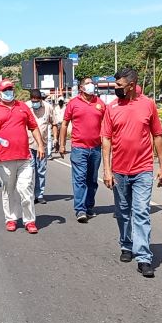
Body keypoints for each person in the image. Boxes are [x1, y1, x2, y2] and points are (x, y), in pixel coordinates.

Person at [102, 68, 162, 278]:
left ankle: (144, 258)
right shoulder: (111, 108)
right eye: (115, 85)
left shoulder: (148, 104)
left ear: (131, 85)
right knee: (122, 211)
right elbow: (106, 140)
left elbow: (157, 135)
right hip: (119, 171)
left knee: (140, 212)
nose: (116, 89)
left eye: (119, 86)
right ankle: (126, 244)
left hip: (143, 169)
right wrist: (107, 170)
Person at [0, 79, 44, 234]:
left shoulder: (22, 107)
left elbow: (33, 127)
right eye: (5, 90)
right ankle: (11, 218)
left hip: (24, 156)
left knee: (25, 189)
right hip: (4, 158)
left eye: (10, 89)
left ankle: (29, 221)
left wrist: (41, 145)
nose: (9, 92)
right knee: (8, 190)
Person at [59, 77, 105, 223]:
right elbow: (65, 124)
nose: (91, 85)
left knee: (92, 179)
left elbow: (107, 124)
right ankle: (80, 209)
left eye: (92, 83)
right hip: (79, 148)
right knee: (80, 179)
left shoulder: (100, 103)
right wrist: (61, 144)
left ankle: (89, 205)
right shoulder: (73, 103)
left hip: (96, 148)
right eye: (87, 83)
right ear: (81, 88)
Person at [26, 89, 57, 204]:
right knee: (28, 171)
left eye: (37, 101)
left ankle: (39, 194)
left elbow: (54, 123)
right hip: (28, 145)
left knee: (41, 171)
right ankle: (29, 195)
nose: (35, 103)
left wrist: (55, 139)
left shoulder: (48, 107)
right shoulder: (26, 108)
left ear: (40, 99)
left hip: (42, 146)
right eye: (33, 101)